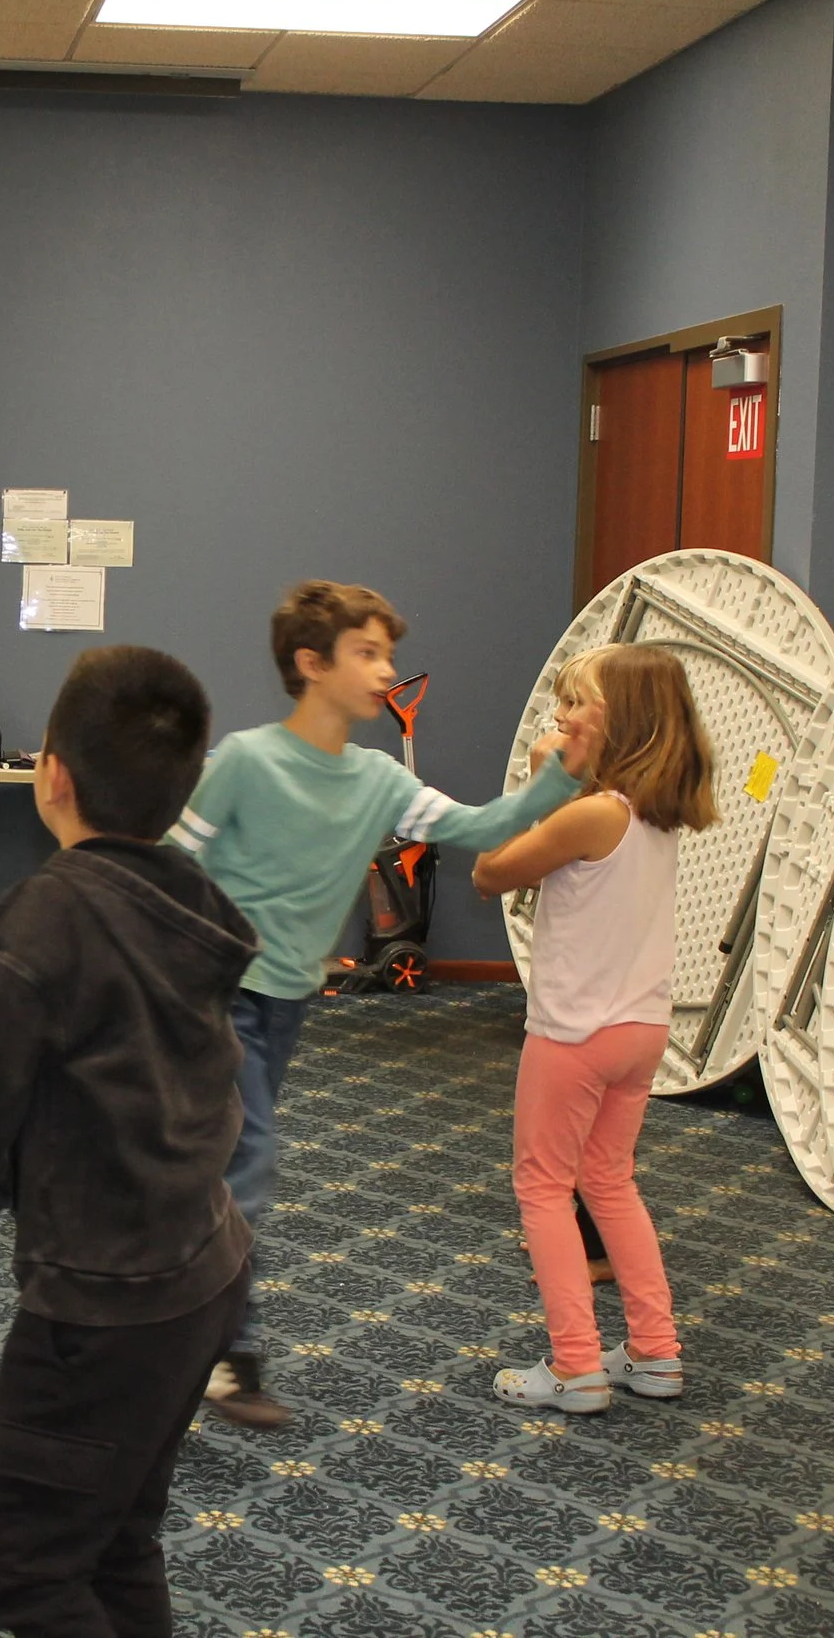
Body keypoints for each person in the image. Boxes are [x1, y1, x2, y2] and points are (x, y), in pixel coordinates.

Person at [0, 645, 257, 1638]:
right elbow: (82, 1094)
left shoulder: (31, 928)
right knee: (116, 1537)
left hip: (104, 1309)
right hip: (203, 1275)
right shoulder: (189, 899)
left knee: (34, 1572)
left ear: (51, 771)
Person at [168, 580, 588, 1428]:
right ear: (310, 663)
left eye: (387, 652)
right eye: (367, 653)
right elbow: (171, 861)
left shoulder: (377, 781)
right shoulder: (244, 762)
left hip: (285, 1003)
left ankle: (163, 1312)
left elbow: (480, 826)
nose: (386, 669)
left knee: (211, 1169)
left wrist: (562, 776)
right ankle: (229, 1354)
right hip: (218, 996)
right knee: (246, 1162)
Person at [470, 643, 715, 1413]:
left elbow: (490, 871)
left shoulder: (590, 813)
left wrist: (547, 783)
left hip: (574, 1032)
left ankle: (575, 1363)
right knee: (610, 1181)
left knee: (542, 1187)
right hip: (640, 1027)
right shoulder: (657, 811)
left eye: (579, 703)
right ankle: (655, 1350)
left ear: (624, 723)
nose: (562, 715)